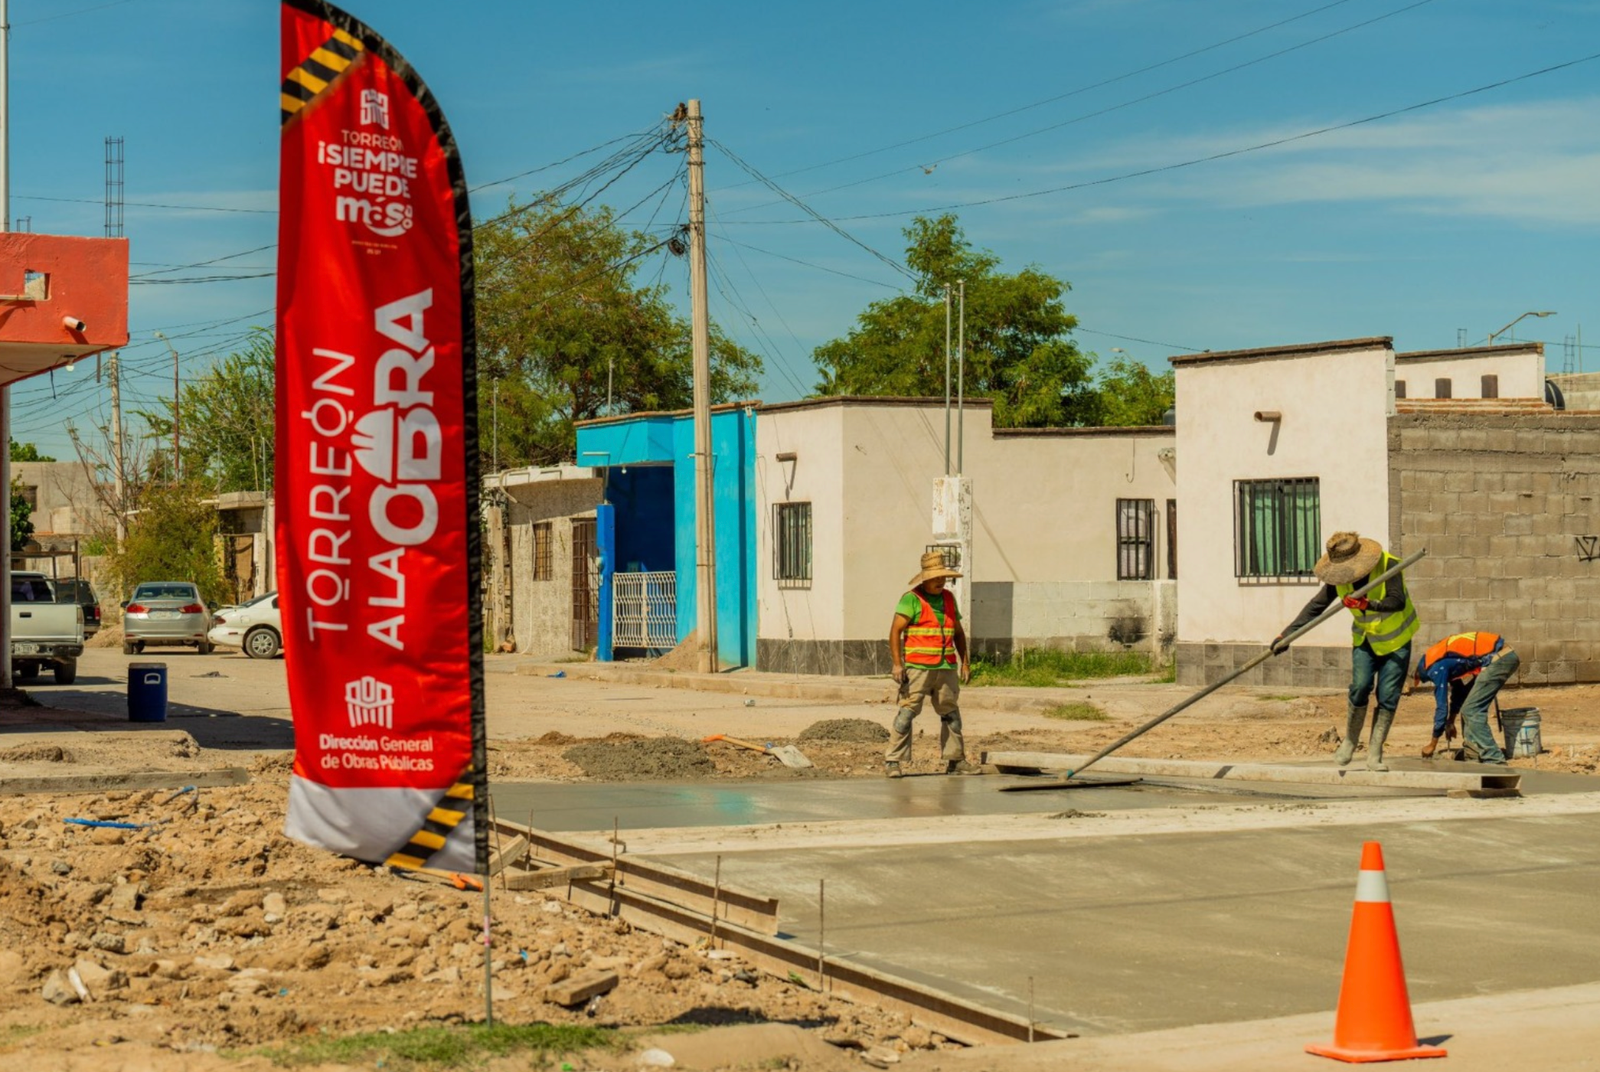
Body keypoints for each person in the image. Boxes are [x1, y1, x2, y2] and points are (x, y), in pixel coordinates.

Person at [1272, 532, 1418, 772]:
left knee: (1388, 695)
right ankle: (1350, 741)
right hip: (1366, 640)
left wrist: (1367, 604)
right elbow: (1316, 606)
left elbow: (1397, 600)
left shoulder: (1388, 564)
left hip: (1396, 642)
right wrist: (1287, 634)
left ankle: (1375, 752)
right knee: (1360, 686)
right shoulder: (1340, 576)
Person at [885, 551, 973, 778]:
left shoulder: (949, 599)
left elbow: (959, 634)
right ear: (925, 579)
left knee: (951, 714)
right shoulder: (911, 599)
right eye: (936, 578)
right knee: (907, 713)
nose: (940, 582)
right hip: (918, 667)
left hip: (945, 667)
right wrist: (897, 664)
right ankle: (893, 761)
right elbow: (895, 631)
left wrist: (965, 663)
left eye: (942, 578)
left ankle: (955, 761)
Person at [1411, 631, 1516, 765]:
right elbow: (1459, 692)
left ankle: (1494, 759)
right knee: (1468, 705)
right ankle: (1472, 753)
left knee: (1471, 710)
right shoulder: (1442, 657)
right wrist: (1450, 721)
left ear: (1419, 673)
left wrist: (1432, 743)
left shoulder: (1435, 667)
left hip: (1499, 659)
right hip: (1503, 656)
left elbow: (1441, 707)